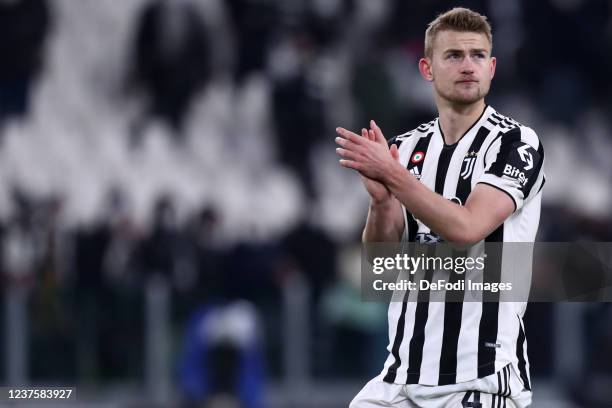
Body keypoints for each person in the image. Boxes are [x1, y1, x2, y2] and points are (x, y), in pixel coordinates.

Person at [335, 8, 545, 408]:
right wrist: (381, 205)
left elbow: (467, 229)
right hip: (399, 381)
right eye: (453, 56)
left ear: (493, 67)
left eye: (478, 55)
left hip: (480, 382)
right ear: (427, 68)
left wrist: (393, 177)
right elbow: (379, 271)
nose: (468, 66)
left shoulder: (516, 144)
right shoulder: (407, 149)